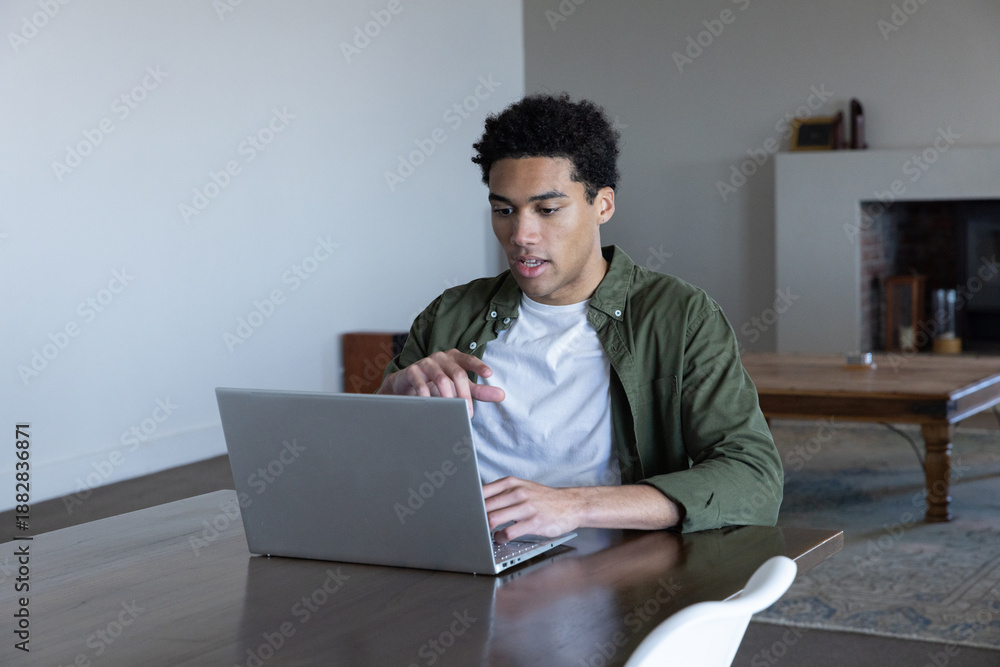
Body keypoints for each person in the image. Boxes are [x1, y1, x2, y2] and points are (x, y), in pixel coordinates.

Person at [378, 93, 782, 542]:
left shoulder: (681, 316)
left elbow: (753, 478)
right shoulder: (450, 314)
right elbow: (374, 460)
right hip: (460, 553)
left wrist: (575, 505)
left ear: (602, 206)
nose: (521, 235)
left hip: (615, 567)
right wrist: (395, 392)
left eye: (548, 210)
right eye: (503, 210)